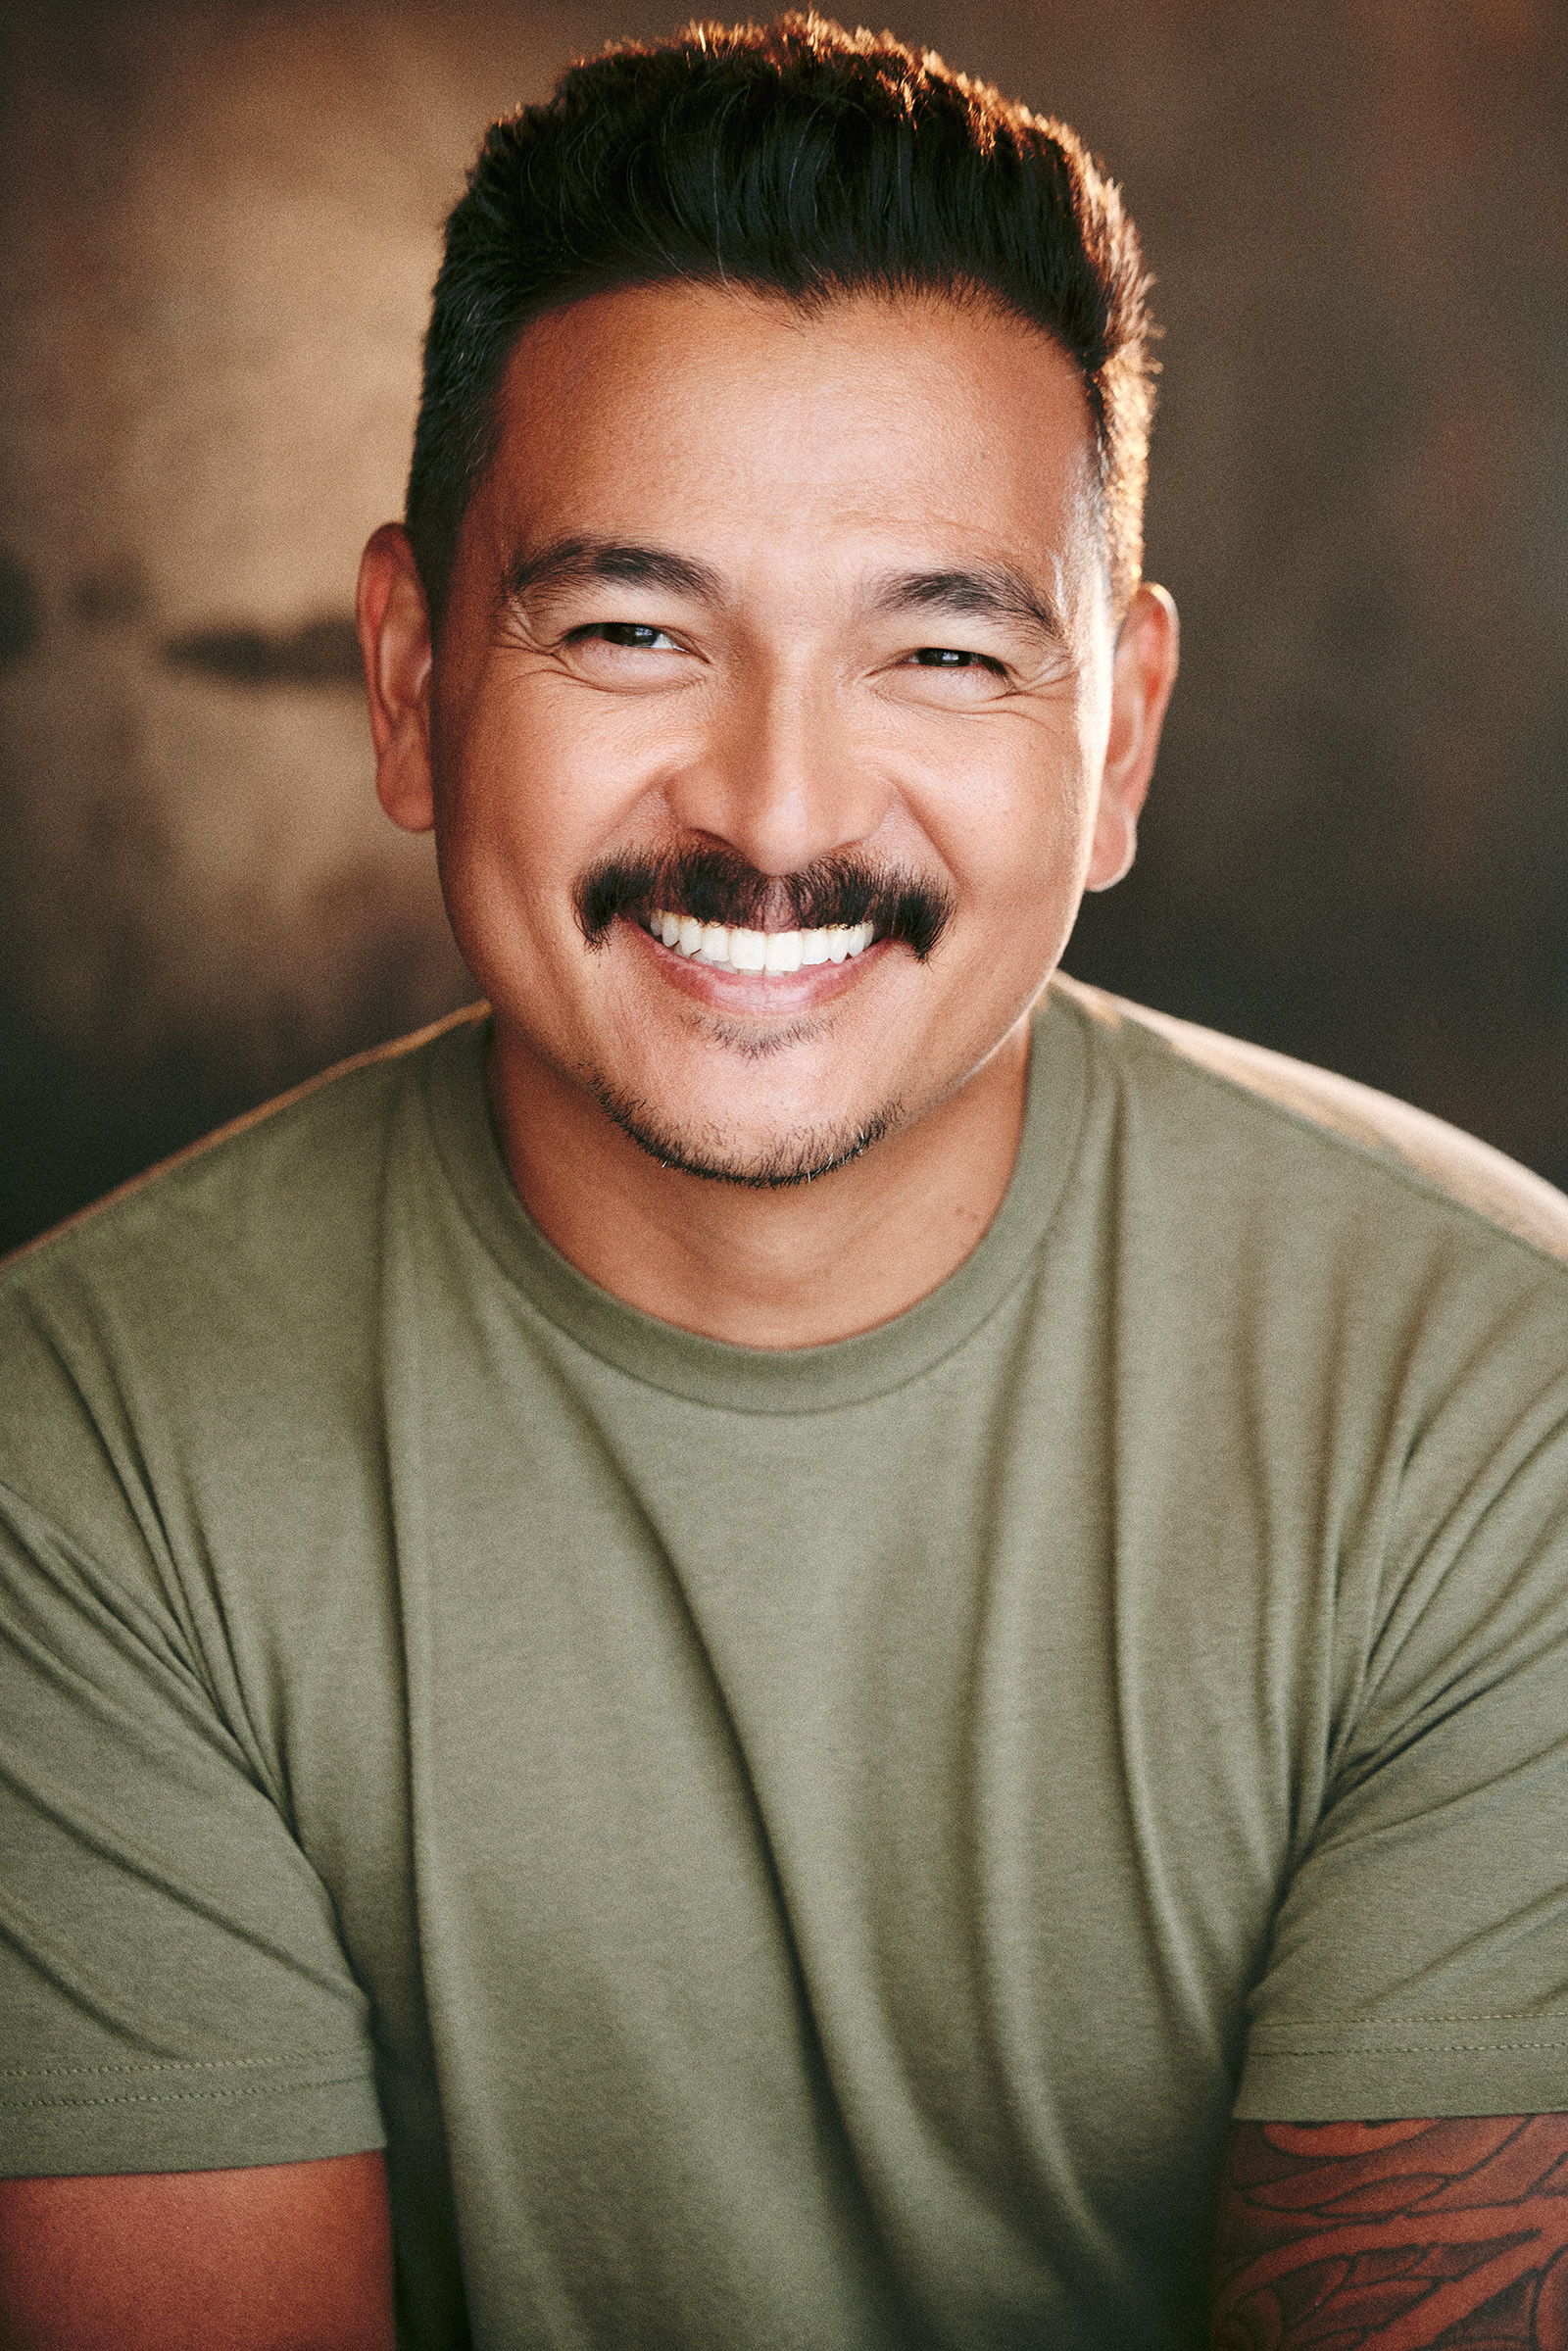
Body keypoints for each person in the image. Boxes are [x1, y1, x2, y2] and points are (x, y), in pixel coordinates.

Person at [3, 14, 1568, 2348]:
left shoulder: (1494, 1408)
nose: (775, 806)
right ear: (415, 682)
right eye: (632, 630)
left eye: (939, 647)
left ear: (1115, 740)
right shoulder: (82, 1447)